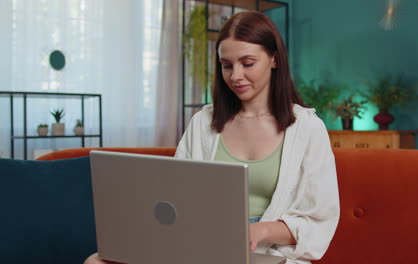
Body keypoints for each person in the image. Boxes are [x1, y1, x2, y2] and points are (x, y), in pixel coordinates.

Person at [84, 10, 339, 264]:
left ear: (274, 59)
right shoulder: (203, 123)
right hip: (202, 246)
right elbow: (175, 197)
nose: (235, 76)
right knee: (96, 261)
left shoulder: (307, 128)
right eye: (226, 65)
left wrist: (260, 231)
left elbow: (318, 218)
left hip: (270, 254)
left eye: (247, 63)